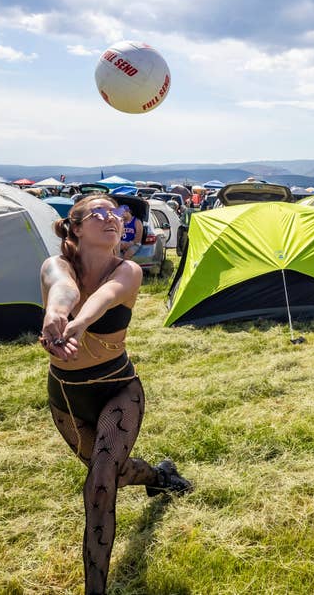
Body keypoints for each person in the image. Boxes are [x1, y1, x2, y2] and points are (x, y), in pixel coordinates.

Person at [39, 194, 191, 595]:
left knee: (100, 483)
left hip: (118, 389)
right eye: (99, 214)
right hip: (68, 397)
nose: (113, 218)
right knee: (112, 471)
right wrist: (56, 314)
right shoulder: (55, 266)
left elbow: (102, 299)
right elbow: (63, 290)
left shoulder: (129, 271)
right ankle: (159, 476)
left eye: (116, 213)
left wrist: (79, 323)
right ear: (75, 227)